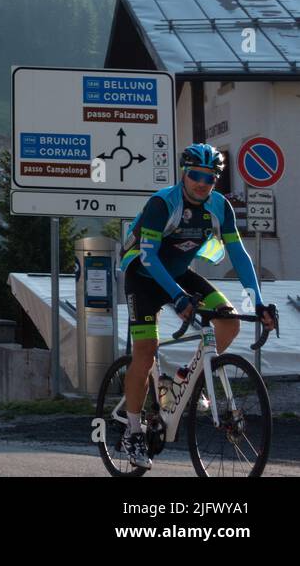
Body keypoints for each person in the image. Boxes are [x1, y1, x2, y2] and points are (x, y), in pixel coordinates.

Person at [116, 142, 279, 471]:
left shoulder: (220, 206)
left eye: (210, 177)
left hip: (178, 274)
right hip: (144, 276)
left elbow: (239, 256)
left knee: (229, 321)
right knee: (146, 350)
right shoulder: (162, 204)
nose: (202, 182)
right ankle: (132, 430)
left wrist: (258, 301)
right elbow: (148, 256)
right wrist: (177, 297)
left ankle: (185, 380)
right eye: (195, 175)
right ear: (183, 173)